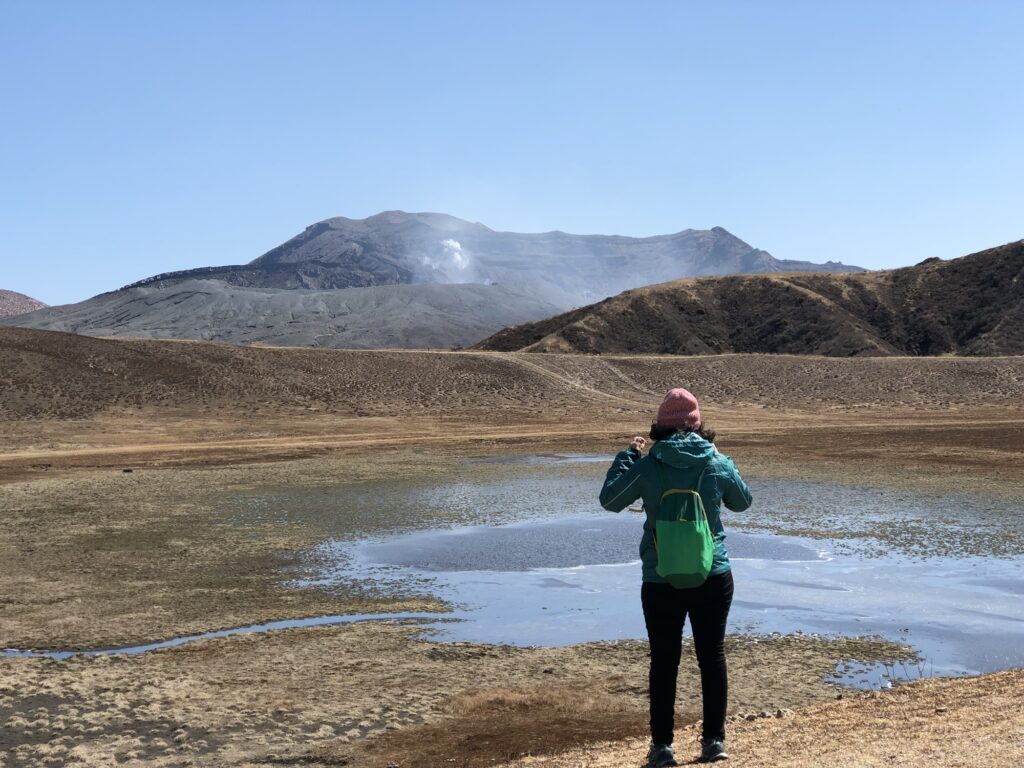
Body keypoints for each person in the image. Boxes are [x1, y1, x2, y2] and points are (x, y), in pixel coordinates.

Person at [600, 387, 752, 766]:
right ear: (698, 425)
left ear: (659, 427)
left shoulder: (649, 464)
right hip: (713, 573)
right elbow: (742, 501)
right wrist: (722, 459)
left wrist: (627, 456)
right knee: (711, 656)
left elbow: (610, 500)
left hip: (660, 578)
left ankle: (662, 748)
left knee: (664, 661)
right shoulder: (714, 460)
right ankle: (714, 742)